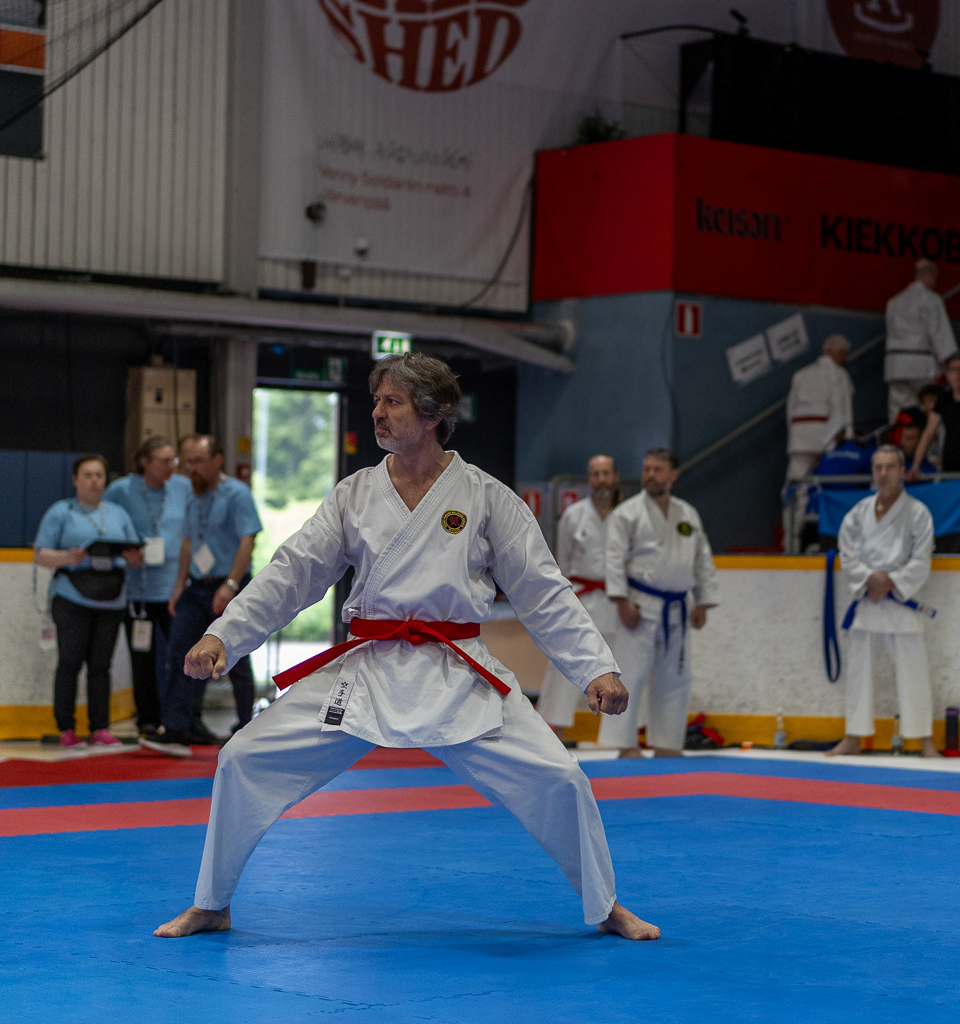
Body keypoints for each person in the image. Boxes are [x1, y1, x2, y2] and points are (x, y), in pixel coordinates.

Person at [154, 352, 657, 942]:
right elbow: (294, 572)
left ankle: (606, 906)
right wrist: (224, 634)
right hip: (368, 668)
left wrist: (595, 668)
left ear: (432, 414)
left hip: (459, 672)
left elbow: (542, 591)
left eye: (392, 402)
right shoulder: (356, 495)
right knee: (242, 758)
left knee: (561, 779)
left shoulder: (486, 497)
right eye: (377, 401)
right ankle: (212, 902)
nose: (377, 413)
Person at [140, 434, 262, 756]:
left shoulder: (237, 494)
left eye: (198, 461)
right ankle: (177, 729)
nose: (191, 468)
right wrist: (179, 587)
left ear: (217, 460)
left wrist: (231, 585)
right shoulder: (193, 497)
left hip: (229, 584)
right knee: (181, 651)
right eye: (187, 462)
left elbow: (247, 540)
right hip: (196, 587)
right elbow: (187, 543)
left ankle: (246, 727)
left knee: (235, 656)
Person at [598, 449, 719, 758]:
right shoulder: (627, 513)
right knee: (630, 674)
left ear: (673, 475)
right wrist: (621, 600)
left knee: (676, 678)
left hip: (678, 607)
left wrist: (703, 602)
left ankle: (667, 744)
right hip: (639, 605)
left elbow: (702, 559)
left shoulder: (687, 513)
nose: (650, 475)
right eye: (647, 469)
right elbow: (613, 560)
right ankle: (625, 744)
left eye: (657, 469)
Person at [827, 445, 938, 759]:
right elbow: (847, 553)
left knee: (914, 672)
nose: (883, 473)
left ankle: (925, 740)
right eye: (878, 467)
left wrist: (891, 582)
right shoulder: (858, 513)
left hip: (901, 600)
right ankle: (853, 737)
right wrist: (869, 579)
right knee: (858, 672)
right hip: (868, 600)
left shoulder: (917, 513)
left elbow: (921, 560)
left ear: (902, 470)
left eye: (890, 467)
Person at [34, 454, 144, 750]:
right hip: (72, 596)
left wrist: (134, 558)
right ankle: (66, 728)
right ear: (75, 480)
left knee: (101, 665)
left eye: (99, 475)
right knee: (70, 662)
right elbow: (41, 554)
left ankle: (100, 727)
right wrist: (68, 557)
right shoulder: (61, 511)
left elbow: (135, 556)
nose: (94, 481)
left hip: (111, 599)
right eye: (88, 475)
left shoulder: (118, 514)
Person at [104, 437, 193, 735]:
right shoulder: (121, 490)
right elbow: (106, 527)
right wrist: (124, 554)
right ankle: (147, 719)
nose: (171, 466)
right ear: (145, 462)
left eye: (173, 460)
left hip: (174, 588)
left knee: (181, 655)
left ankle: (181, 718)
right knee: (142, 657)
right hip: (137, 589)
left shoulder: (182, 487)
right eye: (164, 460)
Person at [537, 454, 622, 736]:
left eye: (606, 473)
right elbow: (562, 562)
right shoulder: (573, 515)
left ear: (615, 477)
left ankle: (615, 735)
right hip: (581, 596)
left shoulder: (627, 516)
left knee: (619, 666)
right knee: (566, 663)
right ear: (589, 479)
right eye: (596, 474)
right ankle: (557, 731)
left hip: (616, 599)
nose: (601, 479)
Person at [884, 258, 957, 423]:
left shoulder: (894, 301)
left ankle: (897, 437)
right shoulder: (931, 299)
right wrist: (949, 361)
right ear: (930, 275)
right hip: (921, 364)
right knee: (932, 404)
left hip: (895, 365)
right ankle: (930, 438)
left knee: (899, 410)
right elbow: (940, 333)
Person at [785, 334, 855, 483]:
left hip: (799, 437)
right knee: (825, 482)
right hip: (827, 436)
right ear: (840, 353)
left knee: (795, 482)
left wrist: (794, 433)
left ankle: (793, 500)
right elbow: (842, 408)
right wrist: (848, 436)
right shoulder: (839, 373)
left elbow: (790, 409)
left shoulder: (800, 375)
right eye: (846, 355)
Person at [906, 354, 960, 481]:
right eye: (954, 369)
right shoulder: (944, 399)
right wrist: (915, 466)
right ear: (947, 374)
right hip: (950, 467)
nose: (958, 374)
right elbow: (928, 433)